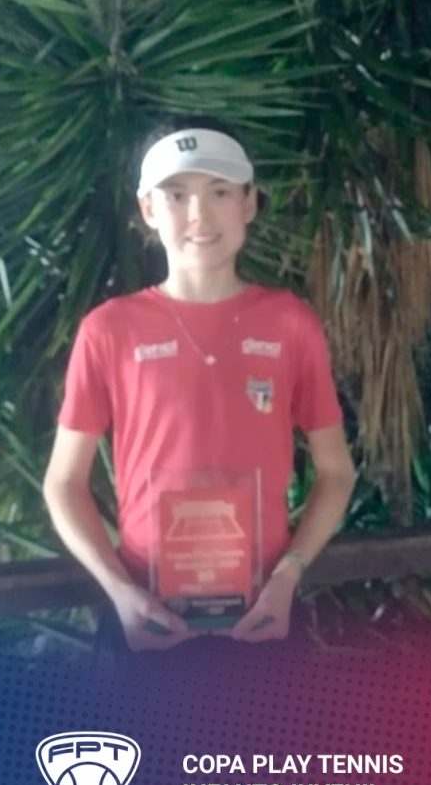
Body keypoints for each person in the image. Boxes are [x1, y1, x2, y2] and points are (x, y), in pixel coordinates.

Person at [43, 123, 356, 660]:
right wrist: (120, 592)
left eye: (220, 192)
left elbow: (337, 472)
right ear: (148, 209)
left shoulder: (289, 322)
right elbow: (63, 484)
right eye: (176, 195)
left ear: (249, 203)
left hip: (264, 616)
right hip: (145, 619)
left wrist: (288, 575)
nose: (199, 214)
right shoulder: (109, 329)